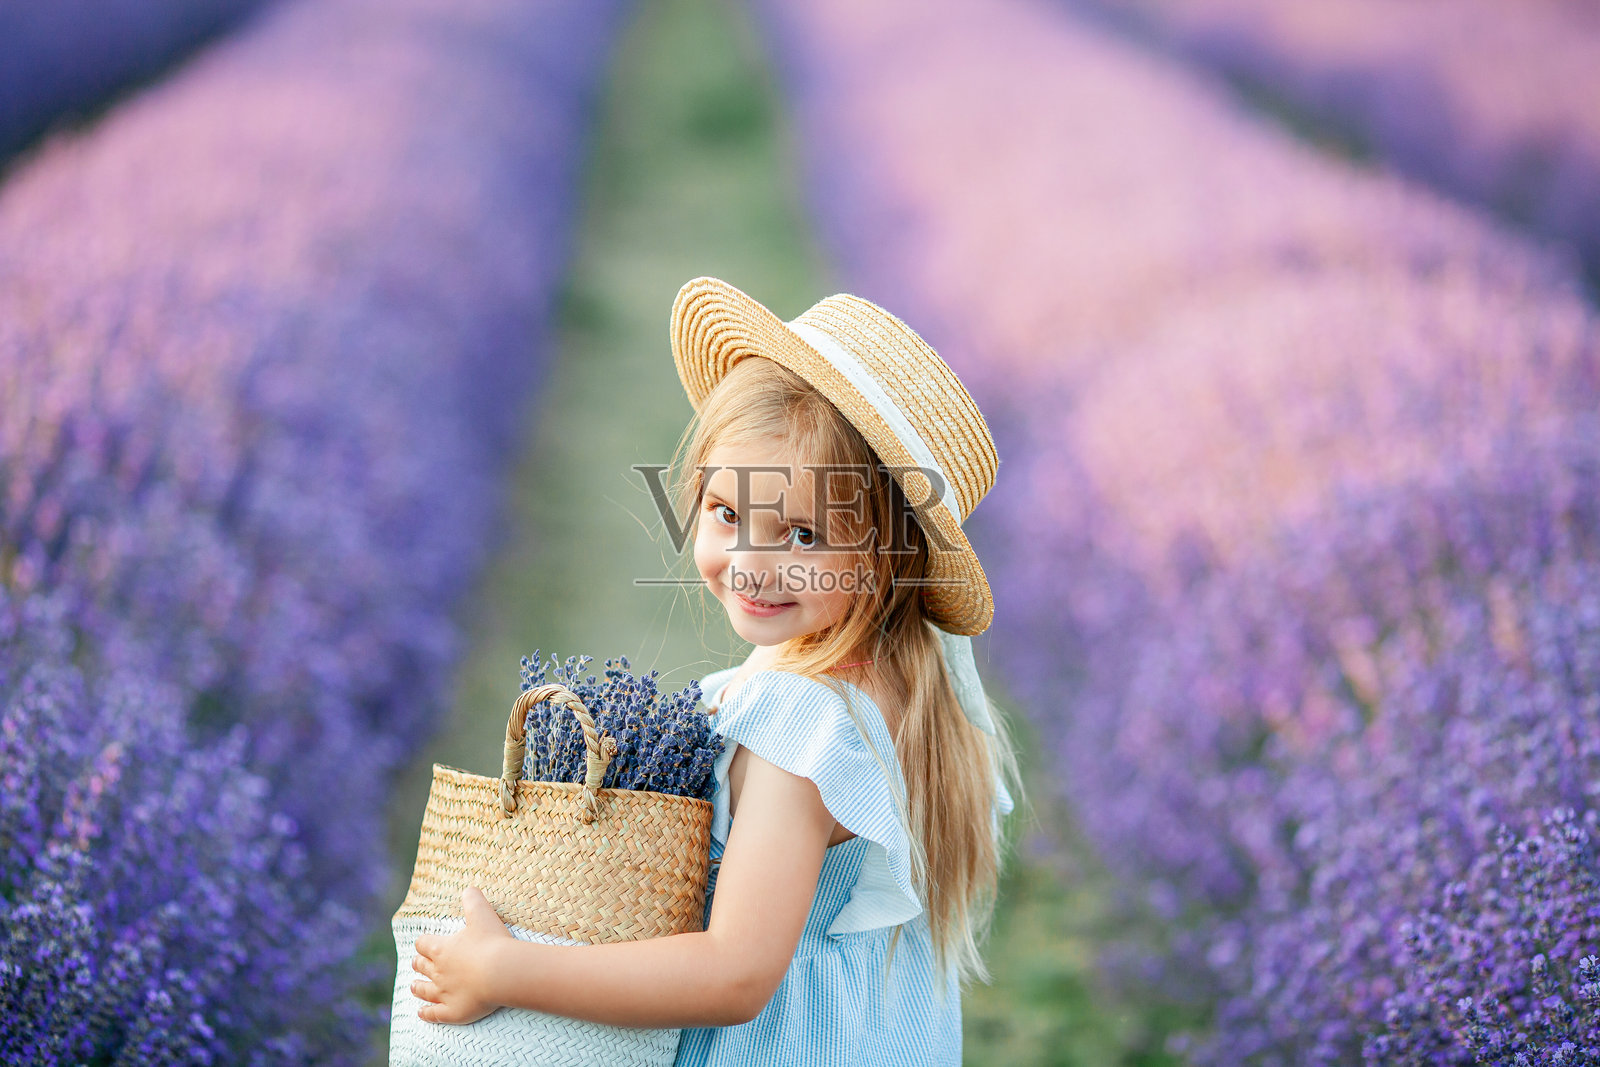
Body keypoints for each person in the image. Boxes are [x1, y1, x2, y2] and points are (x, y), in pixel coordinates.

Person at [407, 276, 1024, 1066]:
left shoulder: (798, 724)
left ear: (884, 557)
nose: (750, 563)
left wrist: (506, 969)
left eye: (801, 535)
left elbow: (735, 973)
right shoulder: (911, 682)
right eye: (728, 514)